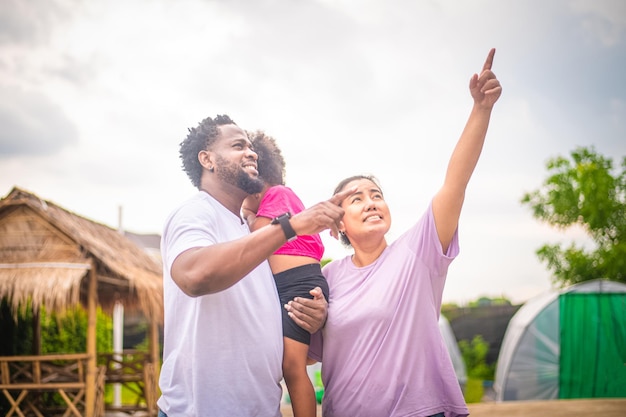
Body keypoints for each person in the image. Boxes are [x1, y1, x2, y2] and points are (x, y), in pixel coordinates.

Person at [297, 48, 502, 417]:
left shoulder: (417, 253)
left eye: (376, 195)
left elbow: (455, 183)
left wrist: (480, 109)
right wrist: (315, 318)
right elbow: (305, 353)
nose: (371, 202)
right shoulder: (328, 278)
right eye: (356, 199)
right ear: (338, 223)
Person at [157, 115, 353, 417]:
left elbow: (271, 325)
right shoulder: (195, 212)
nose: (251, 153)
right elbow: (194, 275)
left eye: (251, 147)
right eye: (238, 145)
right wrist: (291, 226)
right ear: (207, 159)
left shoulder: (247, 231)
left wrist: (315, 315)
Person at [242, 131, 328, 417]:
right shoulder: (272, 200)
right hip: (285, 287)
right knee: (284, 366)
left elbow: (260, 236)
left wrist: (250, 217)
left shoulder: (279, 194)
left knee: (293, 366)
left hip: (298, 286)